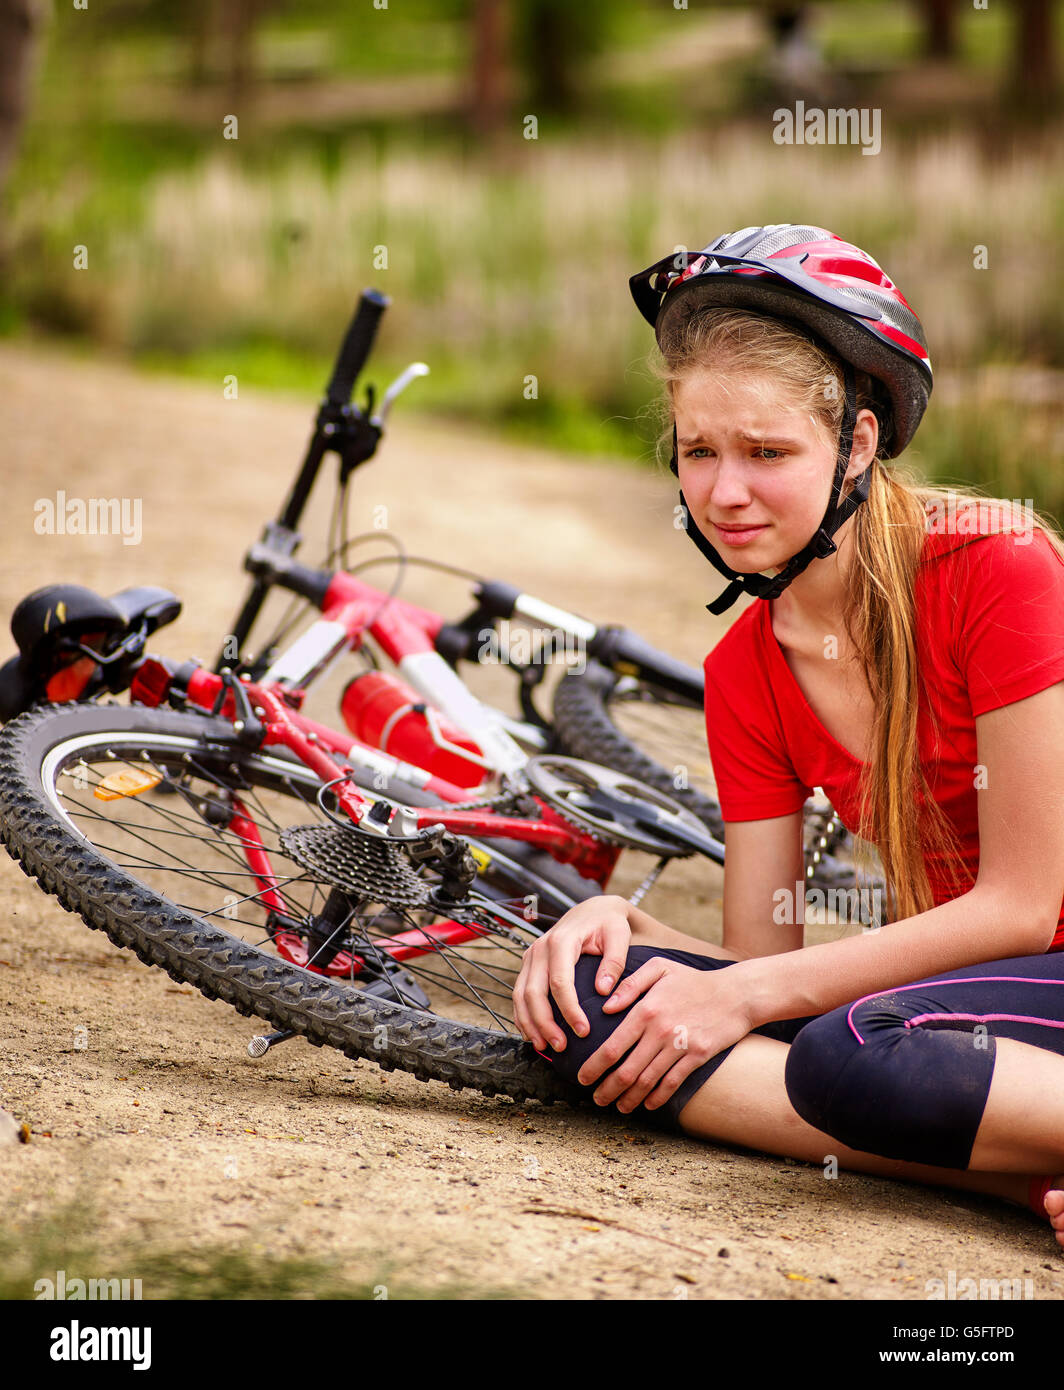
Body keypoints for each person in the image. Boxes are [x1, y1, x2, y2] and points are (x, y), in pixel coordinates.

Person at [511, 224, 1064, 1245]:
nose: (724, 492)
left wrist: (745, 997)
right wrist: (625, 931)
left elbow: (1025, 908)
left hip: (1026, 973)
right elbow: (758, 963)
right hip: (970, 1027)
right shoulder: (742, 672)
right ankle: (1024, 1178)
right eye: (697, 451)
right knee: (599, 1008)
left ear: (856, 441)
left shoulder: (999, 566)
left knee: (844, 1054)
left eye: (766, 452)